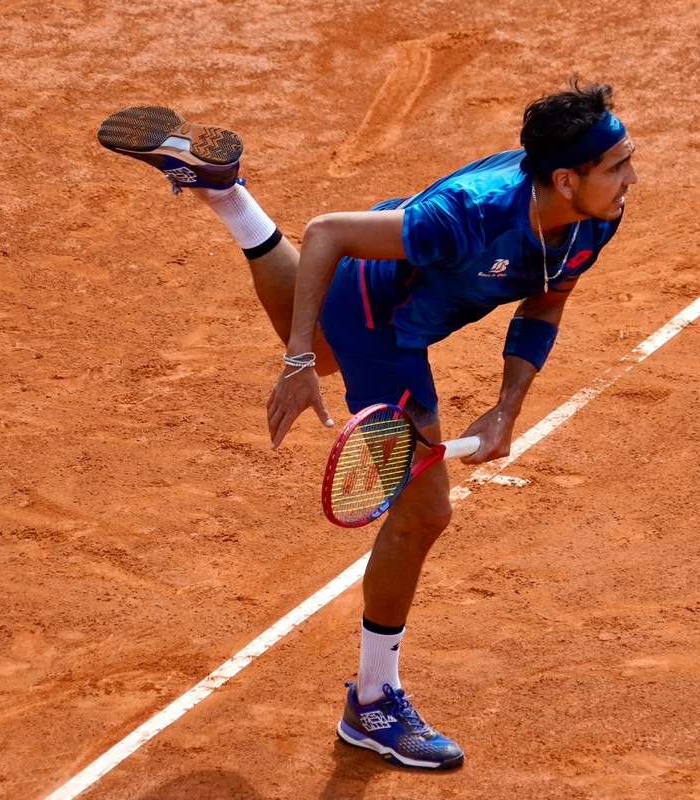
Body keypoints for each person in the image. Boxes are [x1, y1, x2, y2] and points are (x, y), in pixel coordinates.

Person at [97, 81, 637, 770]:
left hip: (401, 291)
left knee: (324, 350)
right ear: (566, 178)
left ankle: (226, 192)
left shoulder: (596, 212)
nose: (632, 176)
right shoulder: (463, 218)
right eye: (618, 165)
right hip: (380, 314)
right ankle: (374, 703)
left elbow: (549, 297)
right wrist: (294, 361)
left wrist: (508, 407)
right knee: (423, 510)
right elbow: (327, 232)